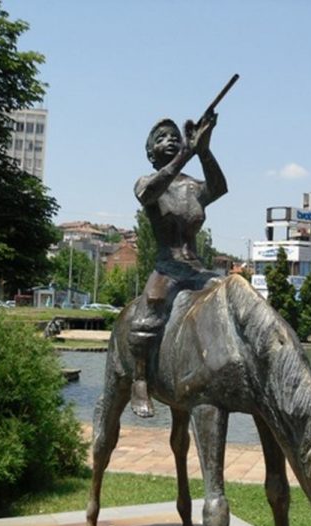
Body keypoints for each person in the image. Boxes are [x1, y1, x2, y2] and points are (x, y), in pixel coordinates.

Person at [128, 114, 227, 417]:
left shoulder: (193, 188)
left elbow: (219, 187)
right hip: (167, 267)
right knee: (149, 310)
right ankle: (140, 380)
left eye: (174, 136)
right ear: (150, 153)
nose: (170, 139)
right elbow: (150, 193)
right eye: (161, 138)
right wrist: (186, 152)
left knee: (228, 297)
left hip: (196, 269)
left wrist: (204, 150)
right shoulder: (147, 183)